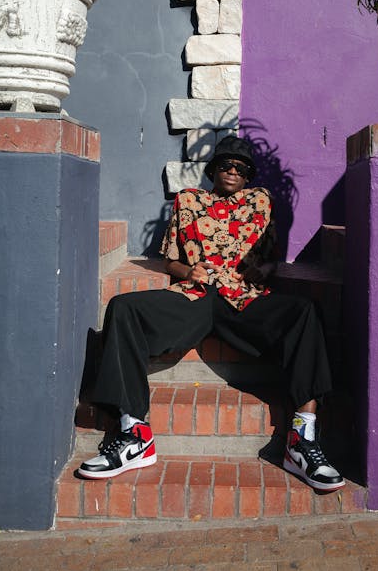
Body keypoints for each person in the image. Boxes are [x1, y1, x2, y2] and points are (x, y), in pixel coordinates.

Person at [78, 135, 345, 492]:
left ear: (248, 174)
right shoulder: (188, 200)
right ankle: (133, 434)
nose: (232, 171)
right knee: (124, 308)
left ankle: (302, 440)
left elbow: (268, 259)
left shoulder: (260, 200)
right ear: (213, 170)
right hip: (197, 295)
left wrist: (264, 271)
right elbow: (171, 257)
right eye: (225, 165)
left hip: (242, 297)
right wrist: (188, 273)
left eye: (240, 167)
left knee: (304, 312)